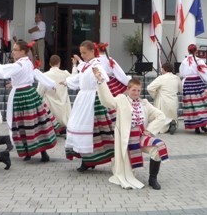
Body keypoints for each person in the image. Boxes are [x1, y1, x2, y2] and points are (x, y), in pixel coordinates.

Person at [0, 40, 58, 162]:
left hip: (21, 96)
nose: (13, 52)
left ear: (22, 52)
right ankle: (38, 152)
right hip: (31, 94)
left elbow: (2, 70)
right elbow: (33, 75)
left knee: (23, 124)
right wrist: (49, 84)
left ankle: (31, 152)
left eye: (15, 50)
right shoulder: (28, 62)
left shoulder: (19, 64)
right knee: (36, 123)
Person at [94, 69, 169, 189]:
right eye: (133, 90)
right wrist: (101, 82)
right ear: (127, 90)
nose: (136, 93)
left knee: (158, 146)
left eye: (139, 90)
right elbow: (107, 101)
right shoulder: (120, 100)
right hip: (126, 139)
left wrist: (149, 130)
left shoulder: (144, 103)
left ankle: (152, 178)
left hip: (140, 137)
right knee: (125, 170)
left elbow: (161, 116)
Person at [65, 40, 116, 172]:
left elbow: (105, 77)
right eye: (81, 53)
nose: (82, 55)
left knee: (93, 131)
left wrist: (99, 77)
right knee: (78, 126)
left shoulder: (96, 65)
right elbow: (79, 78)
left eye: (85, 53)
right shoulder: (87, 65)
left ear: (92, 51)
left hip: (93, 99)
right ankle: (87, 159)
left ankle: (89, 160)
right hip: (83, 99)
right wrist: (66, 81)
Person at [179, 44, 207, 134]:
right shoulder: (199, 61)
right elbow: (205, 73)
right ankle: (203, 125)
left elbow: (182, 73)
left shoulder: (184, 61)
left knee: (192, 106)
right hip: (197, 83)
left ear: (188, 51)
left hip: (188, 84)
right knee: (204, 104)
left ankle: (197, 127)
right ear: (196, 51)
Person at [37, 54, 72, 134]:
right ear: (59, 63)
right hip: (63, 104)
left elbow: (39, 92)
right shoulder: (65, 74)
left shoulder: (45, 75)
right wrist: (74, 66)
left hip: (50, 104)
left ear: (49, 63)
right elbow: (74, 79)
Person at [147, 62, 182, 134]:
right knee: (171, 115)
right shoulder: (176, 78)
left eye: (162, 69)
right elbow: (180, 89)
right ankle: (172, 122)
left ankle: (167, 127)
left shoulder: (161, 78)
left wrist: (155, 95)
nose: (161, 70)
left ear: (165, 69)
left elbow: (149, 88)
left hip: (163, 100)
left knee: (163, 118)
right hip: (173, 100)